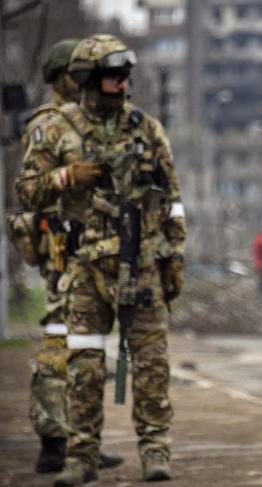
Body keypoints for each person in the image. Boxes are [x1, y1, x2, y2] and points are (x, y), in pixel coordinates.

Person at [16, 34, 186, 485]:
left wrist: (175, 258)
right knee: (85, 365)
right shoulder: (58, 130)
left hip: (143, 263)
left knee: (151, 363)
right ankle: (81, 456)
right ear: (90, 78)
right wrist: (68, 175)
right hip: (87, 267)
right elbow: (26, 191)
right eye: (113, 74)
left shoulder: (146, 129)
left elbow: (172, 200)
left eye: (126, 74)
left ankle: (155, 451)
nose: (123, 81)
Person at [7, 38, 122, 474]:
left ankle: (81, 440)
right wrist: (68, 174)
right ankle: (53, 441)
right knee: (60, 343)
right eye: (80, 74)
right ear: (62, 78)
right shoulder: (48, 124)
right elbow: (28, 190)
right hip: (62, 249)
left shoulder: (92, 123)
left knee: (88, 348)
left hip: (95, 251)